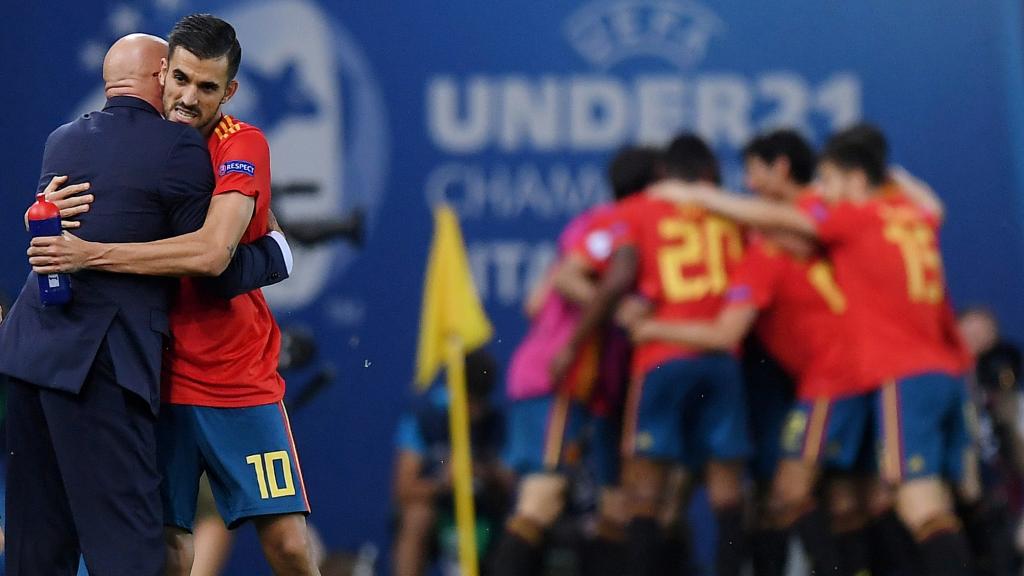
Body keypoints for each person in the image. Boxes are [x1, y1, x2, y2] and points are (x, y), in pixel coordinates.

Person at [29, 14, 319, 575]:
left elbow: (212, 255)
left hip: (238, 377)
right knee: (167, 551)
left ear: (229, 92)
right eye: (181, 79)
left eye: (207, 87)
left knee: (288, 545)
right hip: (156, 377)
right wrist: (39, 216)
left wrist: (90, 254)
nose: (188, 98)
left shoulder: (241, 143)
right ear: (162, 73)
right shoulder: (130, 142)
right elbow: (63, 214)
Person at [653, 124, 975, 576]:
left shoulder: (848, 220)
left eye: (831, 180)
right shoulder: (907, 214)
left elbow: (782, 230)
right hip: (924, 368)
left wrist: (699, 198)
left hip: (866, 373)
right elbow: (933, 206)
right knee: (862, 498)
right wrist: (890, 173)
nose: (824, 191)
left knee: (885, 498)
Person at [631, 129, 875, 576]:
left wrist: (649, 326)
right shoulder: (795, 229)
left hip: (831, 375)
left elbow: (728, 329)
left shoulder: (796, 228)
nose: (747, 185)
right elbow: (799, 237)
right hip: (854, 371)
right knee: (848, 497)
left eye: (753, 172)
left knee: (788, 493)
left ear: (780, 168)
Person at [553, 134, 750, 576]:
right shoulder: (731, 214)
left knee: (643, 492)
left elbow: (573, 275)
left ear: (663, 173)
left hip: (661, 358)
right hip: (721, 357)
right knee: (727, 492)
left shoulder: (636, 211)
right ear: (709, 173)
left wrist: (618, 310)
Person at [490, 146, 659, 576]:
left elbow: (534, 302)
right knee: (543, 496)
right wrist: (616, 311)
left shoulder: (609, 227)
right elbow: (565, 278)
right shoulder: (611, 224)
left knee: (613, 508)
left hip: (593, 388)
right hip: (560, 377)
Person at [392, 350, 511, 576]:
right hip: (440, 511)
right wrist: (442, 483)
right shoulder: (425, 419)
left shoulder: (497, 423)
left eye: (479, 401)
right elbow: (403, 489)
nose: (473, 410)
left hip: (484, 514)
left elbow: (510, 485)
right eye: (468, 399)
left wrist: (481, 473)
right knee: (416, 517)